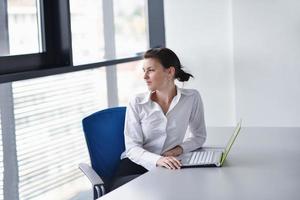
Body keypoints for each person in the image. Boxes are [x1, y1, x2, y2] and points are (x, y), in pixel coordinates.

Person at [110, 47, 206, 190]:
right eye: (144, 71)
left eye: (151, 70)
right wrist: (159, 160)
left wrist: (179, 149)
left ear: (170, 71)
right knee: (160, 191)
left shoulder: (192, 98)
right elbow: (132, 148)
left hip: (169, 166)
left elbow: (199, 136)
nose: (144, 76)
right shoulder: (137, 102)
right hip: (135, 168)